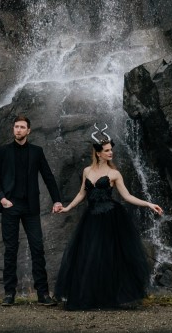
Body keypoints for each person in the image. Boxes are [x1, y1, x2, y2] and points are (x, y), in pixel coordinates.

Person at [54, 124, 163, 310]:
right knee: (89, 257)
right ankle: (89, 297)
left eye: (111, 150)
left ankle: (109, 298)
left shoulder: (114, 174)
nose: (110, 153)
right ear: (98, 153)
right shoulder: (87, 171)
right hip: (91, 218)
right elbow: (82, 193)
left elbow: (127, 196)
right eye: (107, 150)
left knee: (108, 258)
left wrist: (149, 204)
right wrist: (67, 208)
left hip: (110, 217)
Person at [0, 114, 64, 306]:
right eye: (16, 127)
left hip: (31, 207)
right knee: (10, 250)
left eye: (22, 127)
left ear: (29, 130)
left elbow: (48, 177)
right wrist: (2, 199)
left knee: (37, 249)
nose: (19, 130)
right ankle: (9, 294)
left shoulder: (37, 152)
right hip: (10, 206)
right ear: (13, 129)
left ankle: (43, 294)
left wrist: (57, 200)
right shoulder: (3, 151)